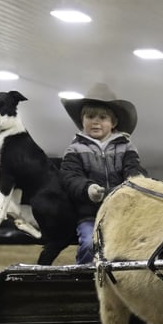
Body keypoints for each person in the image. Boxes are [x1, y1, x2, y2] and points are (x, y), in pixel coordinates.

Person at [60, 82, 148, 264]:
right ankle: (86, 283)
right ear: (82, 120)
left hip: (122, 212)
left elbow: (133, 168)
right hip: (90, 214)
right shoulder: (75, 149)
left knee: (136, 246)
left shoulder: (126, 146)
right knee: (88, 244)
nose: (96, 122)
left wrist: (136, 181)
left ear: (113, 122)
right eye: (90, 116)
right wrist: (87, 189)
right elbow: (70, 177)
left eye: (102, 117)